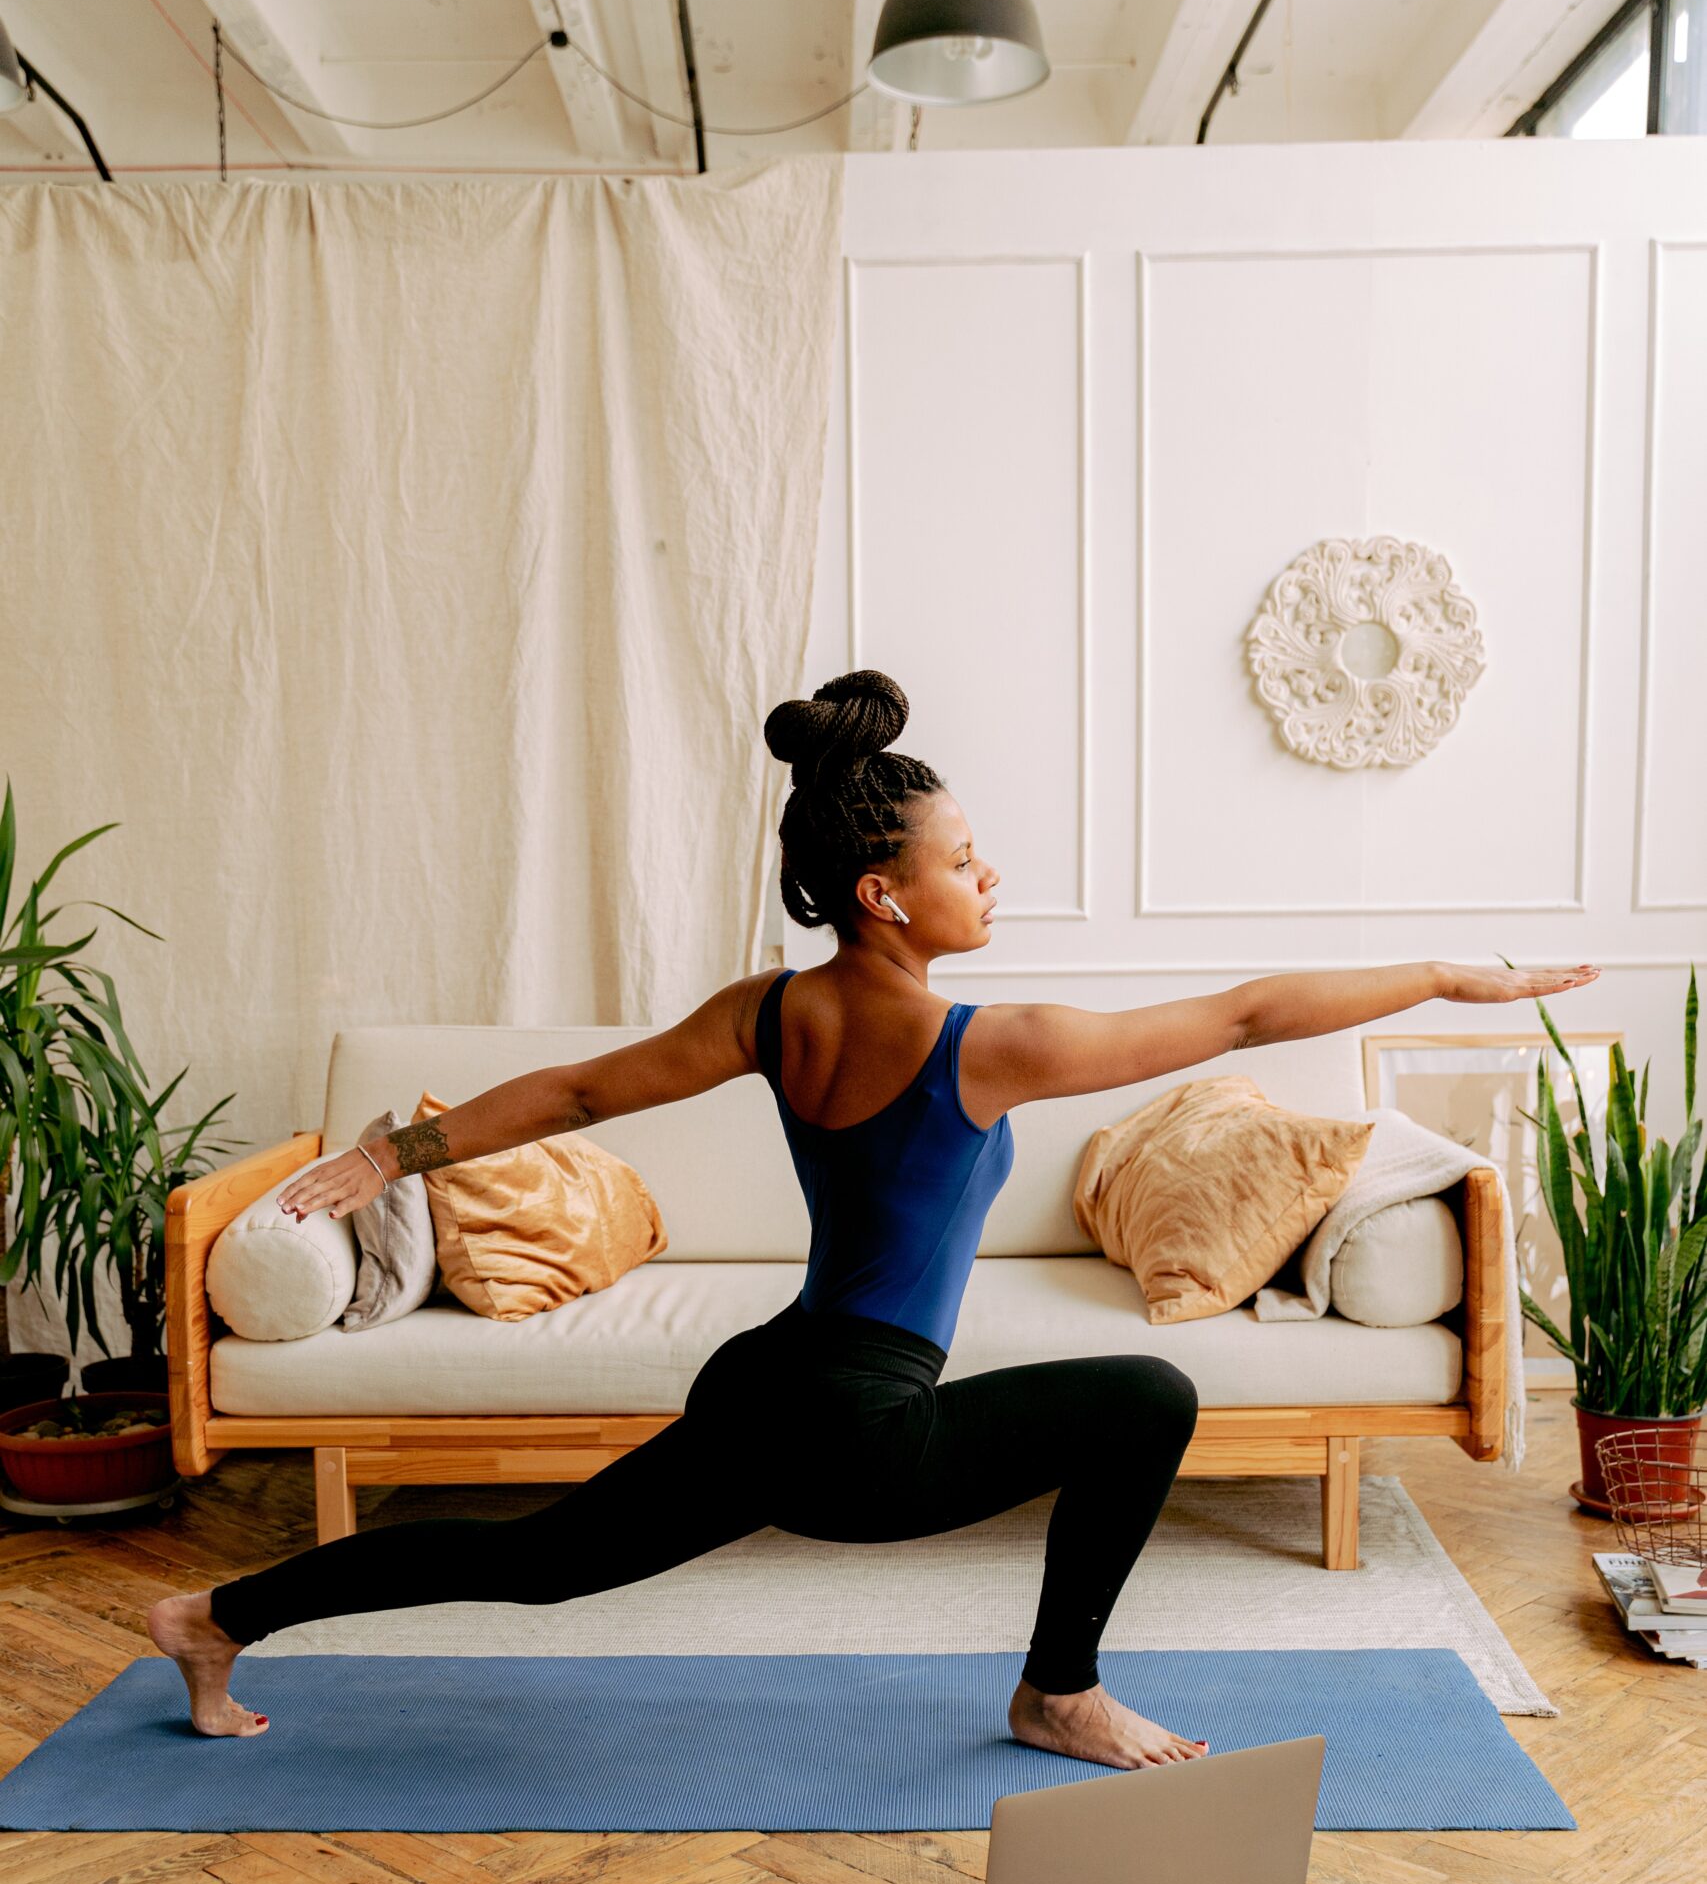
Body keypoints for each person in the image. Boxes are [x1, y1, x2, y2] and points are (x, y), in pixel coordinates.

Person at [148, 669, 1597, 1760]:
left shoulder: (772, 1012)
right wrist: (1441, 976)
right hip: (853, 1432)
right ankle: (1059, 1690)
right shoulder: (988, 1046)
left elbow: (587, 1091)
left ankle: (214, 1624)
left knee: (537, 1566)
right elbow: (1243, 1014)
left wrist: (399, 1153)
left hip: (770, 1381)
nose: (989, 877)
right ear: (882, 896)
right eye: (963, 862)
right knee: (1146, 1395)